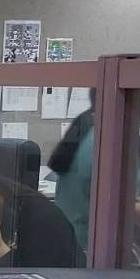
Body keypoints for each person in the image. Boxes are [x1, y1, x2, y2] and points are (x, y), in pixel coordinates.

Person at [50, 89, 96, 248]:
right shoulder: (102, 140)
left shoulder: (83, 126)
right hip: (87, 239)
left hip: (64, 231)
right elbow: (118, 204)